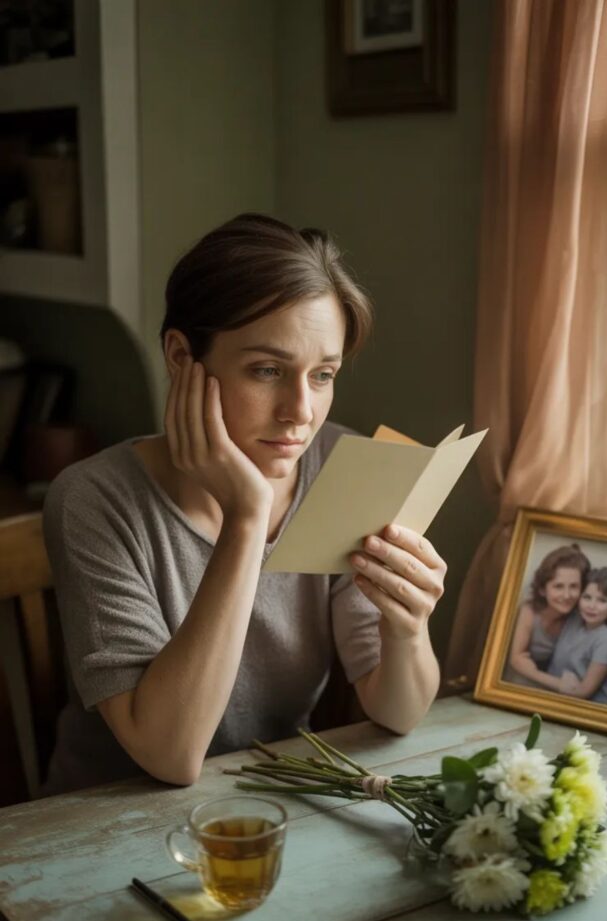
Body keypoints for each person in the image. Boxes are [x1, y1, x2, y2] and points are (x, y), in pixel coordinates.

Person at [43, 214, 446, 794]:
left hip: (271, 805)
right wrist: (247, 517)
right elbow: (171, 755)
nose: (300, 411)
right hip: (101, 826)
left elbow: (398, 712)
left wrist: (408, 631)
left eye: (323, 374)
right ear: (182, 357)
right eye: (267, 370)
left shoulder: (343, 466)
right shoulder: (93, 499)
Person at [540, 568, 607, 705]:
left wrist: (534, 674)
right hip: (559, 694)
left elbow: (584, 692)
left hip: (591, 705)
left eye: (602, 600)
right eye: (587, 597)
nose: (591, 606)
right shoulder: (574, 619)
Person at [505, 543, 590, 686]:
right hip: (524, 680)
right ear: (542, 590)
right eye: (558, 586)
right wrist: (558, 684)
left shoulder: (580, 617)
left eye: (574, 586)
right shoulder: (529, 611)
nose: (567, 595)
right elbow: (517, 659)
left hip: (557, 678)